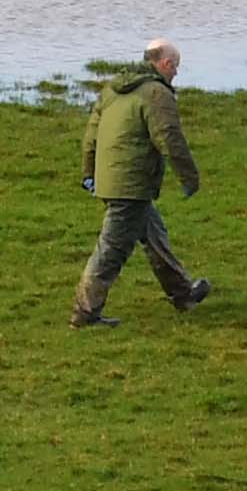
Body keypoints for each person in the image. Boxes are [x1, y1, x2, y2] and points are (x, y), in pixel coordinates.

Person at [72, 39, 209, 325]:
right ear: (166, 64)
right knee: (111, 250)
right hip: (130, 185)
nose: (176, 74)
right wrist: (190, 178)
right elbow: (169, 137)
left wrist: (88, 174)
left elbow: (91, 135)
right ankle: (85, 313)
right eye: (176, 67)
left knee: (155, 236)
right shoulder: (157, 93)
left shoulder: (112, 88)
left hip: (112, 179)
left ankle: (183, 293)